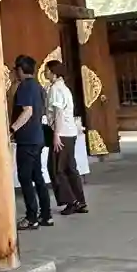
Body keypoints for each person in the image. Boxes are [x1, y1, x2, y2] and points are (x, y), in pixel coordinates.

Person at [8, 54, 52, 229]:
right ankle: (46, 215)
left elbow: (27, 111)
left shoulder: (25, 87)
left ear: (20, 70)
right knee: (37, 177)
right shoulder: (39, 87)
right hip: (38, 137)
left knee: (25, 178)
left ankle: (31, 217)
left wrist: (12, 129)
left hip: (27, 139)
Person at [47, 69, 87, 214]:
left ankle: (72, 202)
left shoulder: (55, 89)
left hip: (62, 133)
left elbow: (58, 112)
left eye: (47, 71)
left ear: (54, 73)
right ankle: (80, 201)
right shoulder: (65, 88)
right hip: (70, 132)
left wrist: (56, 134)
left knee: (57, 169)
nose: (45, 74)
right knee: (70, 168)